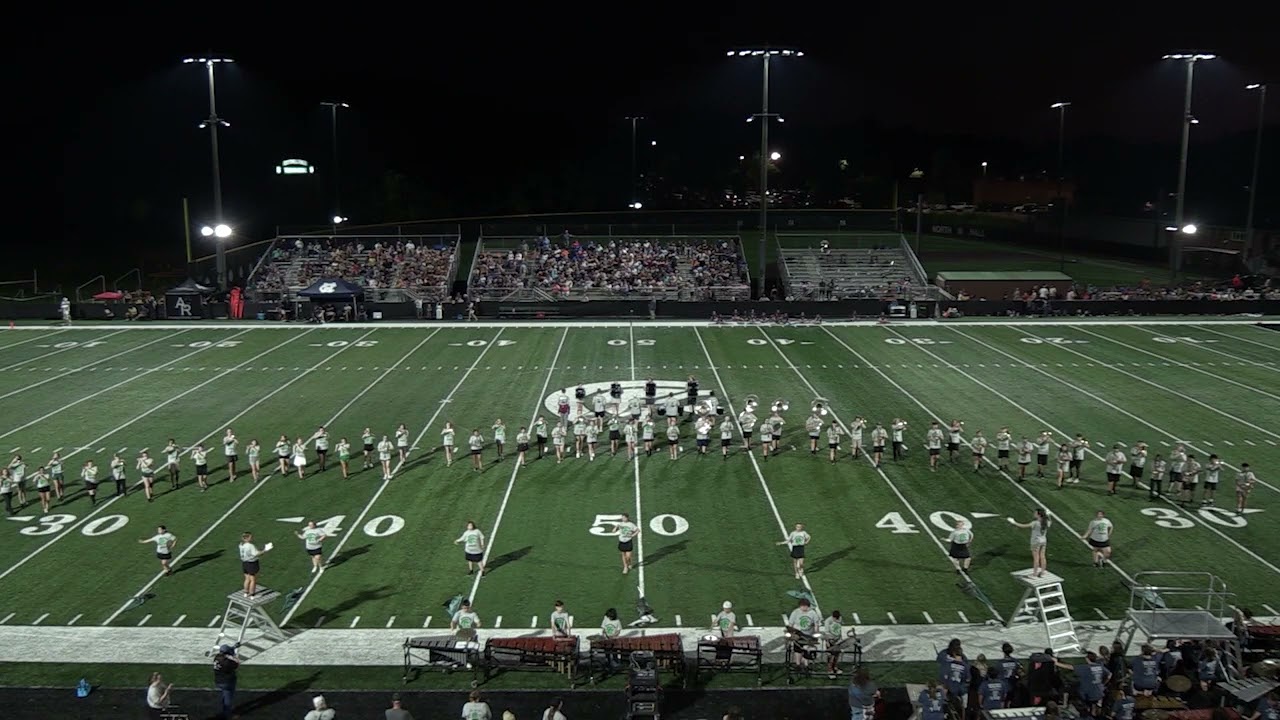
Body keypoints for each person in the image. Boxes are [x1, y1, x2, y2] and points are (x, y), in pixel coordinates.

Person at [1010, 509, 1051, 577]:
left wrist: (1013, 522)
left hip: (1035, 541)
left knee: (1036, 558)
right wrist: (1048, 515)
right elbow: (1049, 521)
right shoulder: (1047, 522)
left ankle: (1035, 573)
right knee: (1042, 556)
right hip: (1043, 540)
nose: (1034, 514)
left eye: (1035, 513)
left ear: (1039, 515)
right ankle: (1043, 571)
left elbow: (1023, 526)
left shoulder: (1035, 523)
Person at [239, 531, 271, 597]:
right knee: (253, 580)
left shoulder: (241, 544)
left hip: (245, 563)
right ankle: (252, 594)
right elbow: (256, 554)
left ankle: (245, 592)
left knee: (247, 578)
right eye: (250, 537)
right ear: (247, 538)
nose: (252, 538)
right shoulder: (250, 546)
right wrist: (265, 550)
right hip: (252, 563)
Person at [212, 644, 239, 720]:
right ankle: (227, 715)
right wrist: (233, 656)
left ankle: (225, 710)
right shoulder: (227, 662)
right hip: (227, 682)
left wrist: (234, 647)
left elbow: (225, 653)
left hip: (218, 681)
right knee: (228, 699)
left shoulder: (217, 657)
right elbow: (237, 663)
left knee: (224, 696)